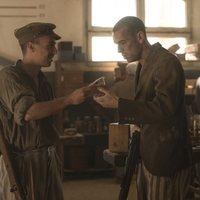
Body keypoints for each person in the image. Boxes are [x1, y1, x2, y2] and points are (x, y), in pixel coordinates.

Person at [93, 16, 193, 200]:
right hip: (149, 154)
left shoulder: (166, 62)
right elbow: (147, 106)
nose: (119, 50)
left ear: (140, 37)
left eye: (123, 43)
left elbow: (164, 109)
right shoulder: (143, 64)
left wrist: (119, 104)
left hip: (166, 158)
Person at [0, 22, 90, 200]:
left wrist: (57, 152)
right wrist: (69, 99)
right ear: (31, 47)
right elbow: (29, 112)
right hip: (22, 165)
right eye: (50, 45)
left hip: (48, 161)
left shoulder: (43, 81)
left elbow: (48, 125)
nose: (54, 51)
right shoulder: (9, 76)